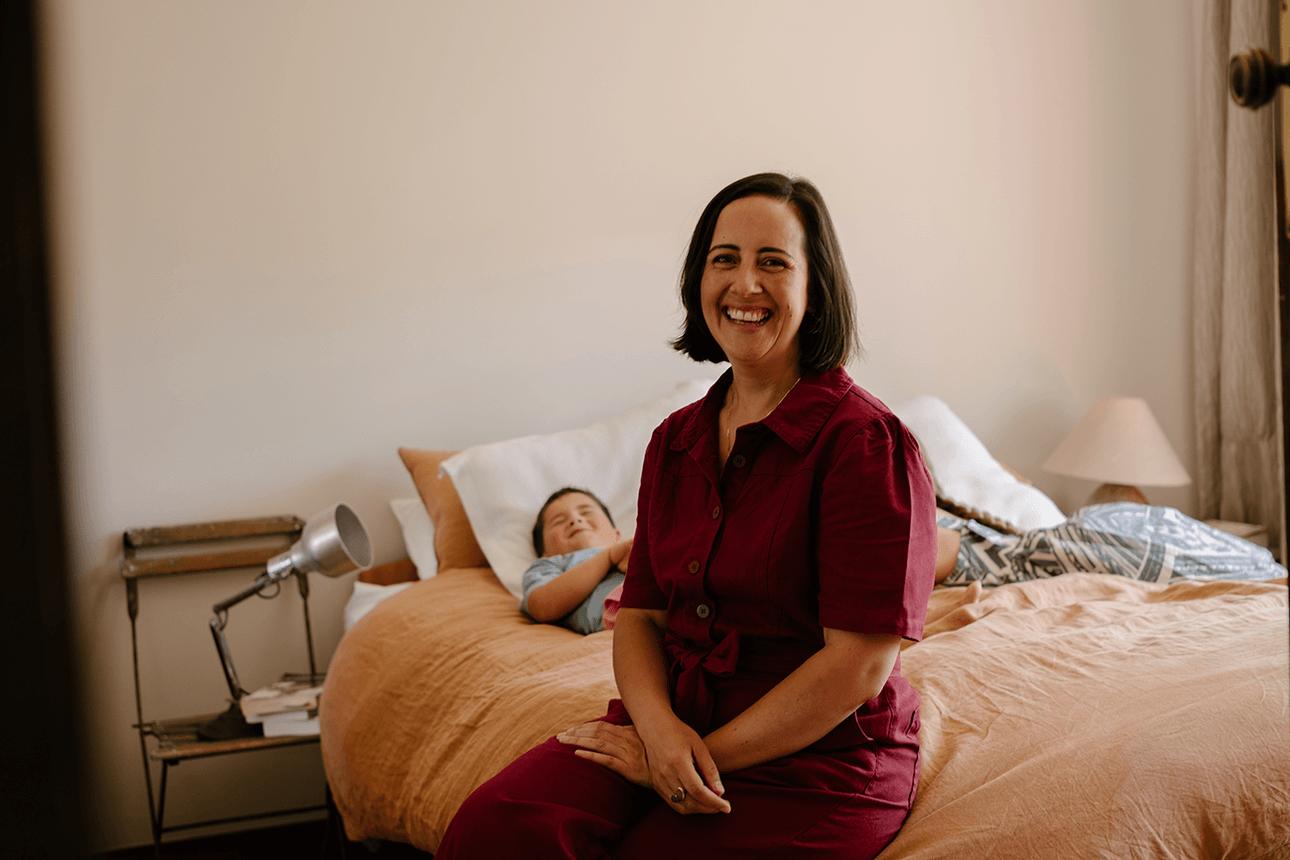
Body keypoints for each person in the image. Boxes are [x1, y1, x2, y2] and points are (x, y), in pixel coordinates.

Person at [436, 173, 938, 859]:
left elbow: (858, 664)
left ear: (816, 287)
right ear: (697, 281)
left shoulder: (865, 442)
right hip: (672, 718)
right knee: (493, 828)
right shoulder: (675, 441)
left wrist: (693, 760)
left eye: (773, 262)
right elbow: (640, 617)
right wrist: (660, 734)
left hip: (819, 754)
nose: (744, 284)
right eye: (724, 259)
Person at [520, 487, 634, 634]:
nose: (575, 519)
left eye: (586, 512)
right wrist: (608, 556)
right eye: (558, 521)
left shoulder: (630, 547)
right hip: (627, 613)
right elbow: (541, 606)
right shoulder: (551, 564)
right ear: (544, 552)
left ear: (616, 534)